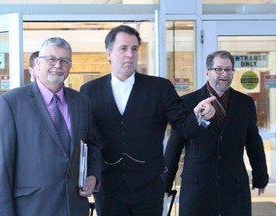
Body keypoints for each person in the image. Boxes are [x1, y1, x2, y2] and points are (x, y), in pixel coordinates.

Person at [80, 25, 216, 216]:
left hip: (148, 187)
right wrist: (88, 175)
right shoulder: (89, 91)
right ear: (109, 53)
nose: (130, 54)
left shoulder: (159, 87)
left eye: (134, 49)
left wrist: (200, 117)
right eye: (123, 48)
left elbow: (184, 126)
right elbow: (87, 139)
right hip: (108, 187)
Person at [0, 37, 101, 216]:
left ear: (70, 67)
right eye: (51, 59)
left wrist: (93, 175)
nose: (58, 65)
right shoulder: (12, 102)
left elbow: (92, 145)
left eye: (64, 61)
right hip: (32, 208)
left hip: (73, 207)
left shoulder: (82, 102)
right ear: (38, 63)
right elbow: (1, 166)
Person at [163, 50, 269, 216]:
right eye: (218, 69)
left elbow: (254, 143)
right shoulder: (187, 102)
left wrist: (260, 176)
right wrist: (165, 184)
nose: (224, 74)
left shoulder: (245, 103)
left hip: (234, 187)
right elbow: (174, 147)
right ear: (207, 72)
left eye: (228, 70)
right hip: (197, 188)